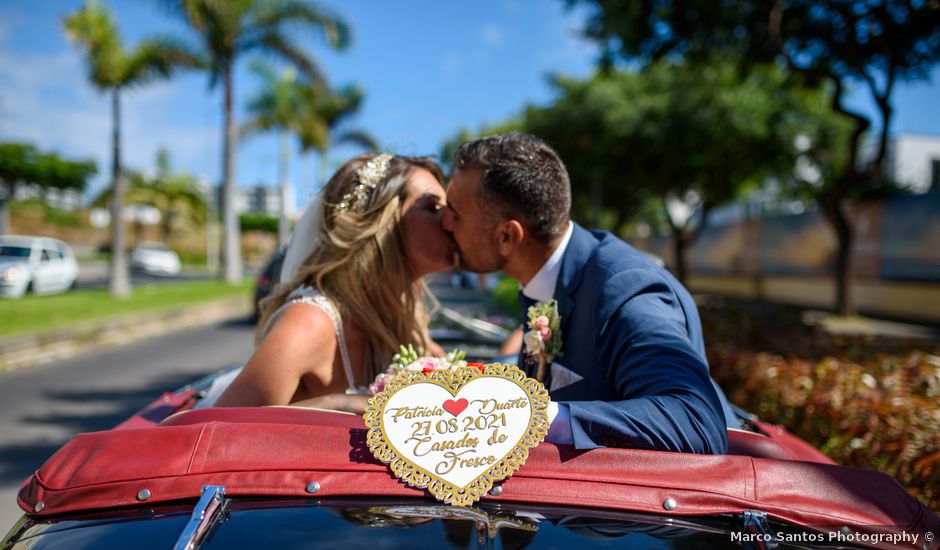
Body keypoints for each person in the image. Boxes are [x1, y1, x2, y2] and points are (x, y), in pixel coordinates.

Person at [441, 132, 729, 454]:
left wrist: (532, 418)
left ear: (508, 236)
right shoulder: (543, 279)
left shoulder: (624, 289)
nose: (445, 224)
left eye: (455, 214)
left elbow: (696, 423)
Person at [213, 153, 454, 410]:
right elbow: (212, 433)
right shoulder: (310, 323)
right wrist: (336, 405)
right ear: (381, 222)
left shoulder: (403, 318)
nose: (450, 222)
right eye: (433, 208)